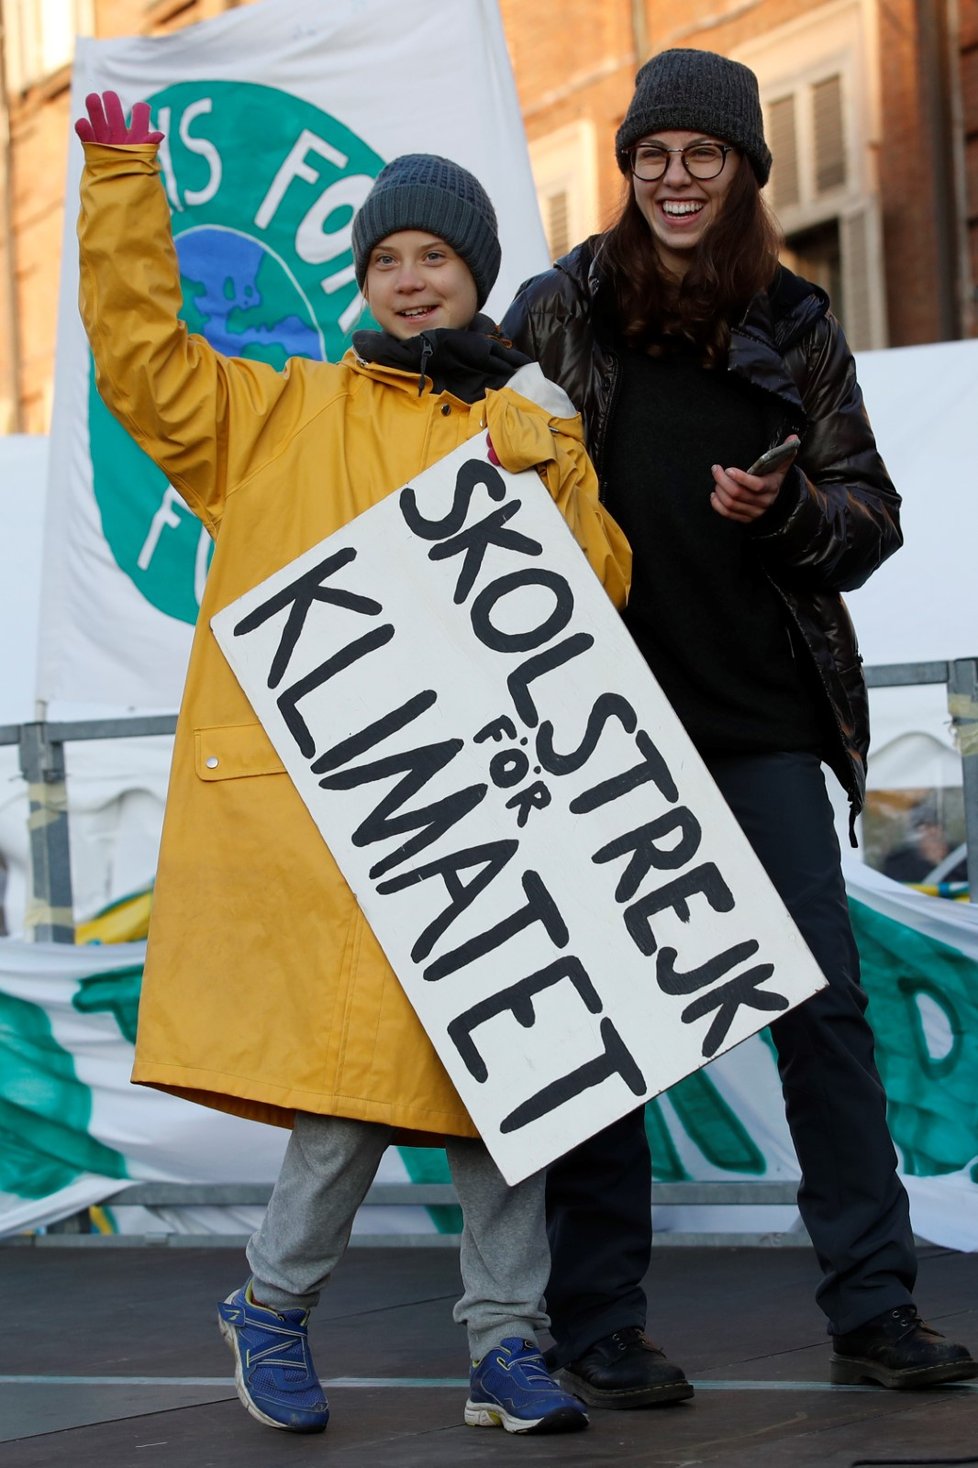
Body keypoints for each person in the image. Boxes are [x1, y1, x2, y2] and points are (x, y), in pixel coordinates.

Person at [75, 90, 633, 1438]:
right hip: (342, 813)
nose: (407, 276)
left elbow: (599, 599)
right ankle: (286, 1302)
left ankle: (493, 1340)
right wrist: (118, 190)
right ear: (362, 283)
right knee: (356, 1081)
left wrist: (545, 466)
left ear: (472, 275)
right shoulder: (275, 416)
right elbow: (144, 360)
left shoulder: (521, 426)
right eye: (386, 260)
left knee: (512, 1076)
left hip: (489, 809)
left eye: (430, 256)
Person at [502, 46, 978, 1405]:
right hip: (595, 733)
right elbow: (454, 453)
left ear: (744, 172)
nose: (672, 178)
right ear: (628, 171)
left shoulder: (796, 322)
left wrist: (787, 517)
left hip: (761, 720)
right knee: (608, 1031)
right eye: (650, 155)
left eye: (700, 155)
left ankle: (873, 1307)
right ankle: (597, 1324)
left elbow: (870, 516)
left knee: (822, 1011)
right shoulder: (558, 309)